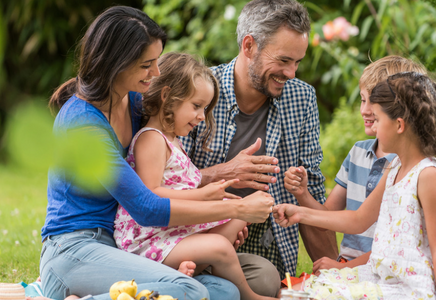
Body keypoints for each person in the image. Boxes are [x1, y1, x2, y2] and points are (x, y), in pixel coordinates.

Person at [41, 6, 274, 300]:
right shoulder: (82, 123)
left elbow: (168, 179)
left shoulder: (136, 104)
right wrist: (236, 209)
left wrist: (221, 192)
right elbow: (146, 206)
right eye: (146, 64)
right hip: (74, 249)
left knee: (225, 292)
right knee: (188, 290)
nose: (156, 72)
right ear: (115, 63)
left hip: (117, 246)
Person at [273, 72, 436, 299]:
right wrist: (299, 213)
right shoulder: (395, 168)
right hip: (382, 277)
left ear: (399, 125)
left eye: (378, 120)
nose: (374, 127)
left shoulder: (427, 175)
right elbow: (358, 220)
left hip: (411, 289)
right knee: (297, 290)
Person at [180, 0, 326, 293]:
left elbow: (313, 196)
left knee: (265, 278)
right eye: (284, 60)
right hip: (194, 235)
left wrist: (335, 273)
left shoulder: (302, 98)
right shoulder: (198, 92)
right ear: (249, 46)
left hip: (267, 245)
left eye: (297, 62)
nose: (291, 73)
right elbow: (163, 181)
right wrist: (225, 173)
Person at [113, 52, 276, 300]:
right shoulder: (151, 139)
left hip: (171, 232)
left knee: (238, 217)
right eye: (196, 106)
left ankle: (187, 269)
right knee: (221, 244)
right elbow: (150, 194)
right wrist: (202, 195)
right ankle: (249, 296)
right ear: (168, 97)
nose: (202, 116)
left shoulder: (173, 141)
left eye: (205, 108)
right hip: (148, 238)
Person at [283, 56, 428, 274]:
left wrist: (344, 269)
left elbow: (394, 247)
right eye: (362, 100)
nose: (365, 110)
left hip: (384, 269)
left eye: (374, 103)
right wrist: (302, 194)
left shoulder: (406, 167)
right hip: (348, 265)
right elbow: (327, 218)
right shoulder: (358, 153)